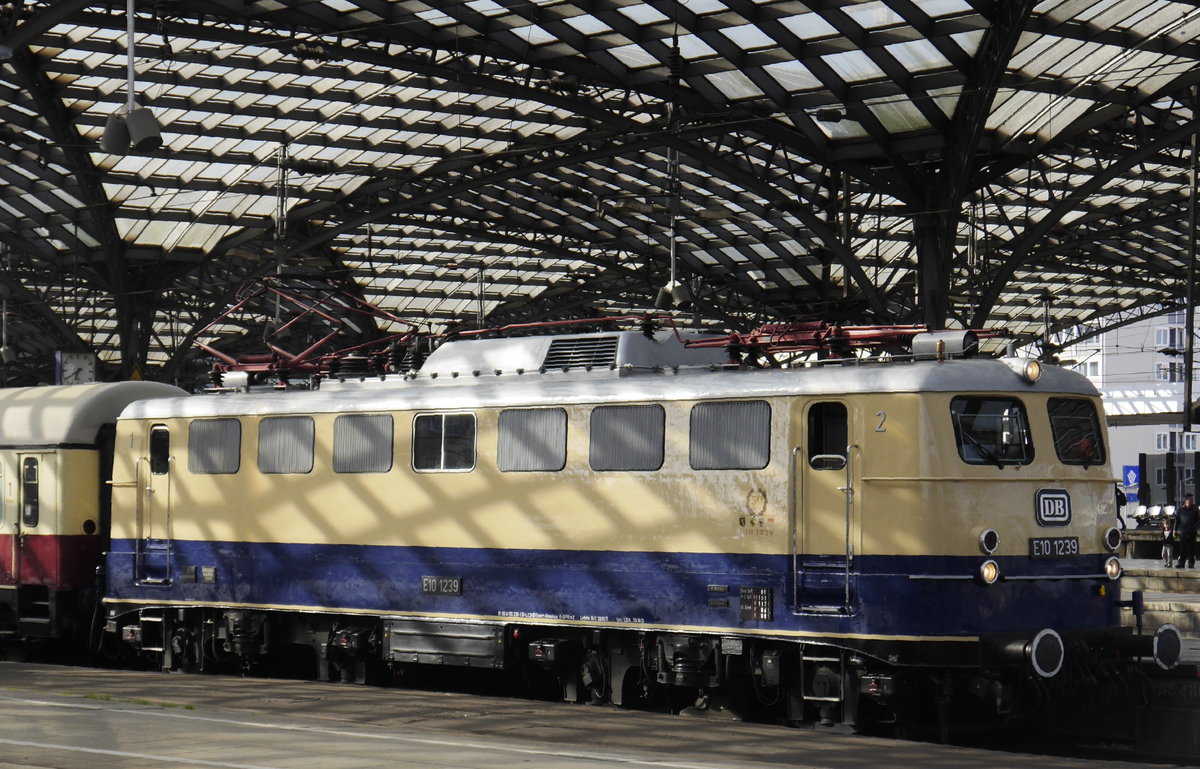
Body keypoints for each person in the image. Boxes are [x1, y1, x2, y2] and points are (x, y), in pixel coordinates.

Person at [1175, 493, 1199, 569]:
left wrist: (1195, 526)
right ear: (1186, 500)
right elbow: (1177, 520)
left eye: (1192, 499)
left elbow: (1199, 519)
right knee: (1182, 548)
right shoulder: (1180, 509)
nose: (1192, 501)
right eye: (1190, 499)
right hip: (1183, 531)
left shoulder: (1195, 509)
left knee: (1191, 548)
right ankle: (1181, 563)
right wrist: (1175, 530)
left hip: (1192, 531)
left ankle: (1191, 563)